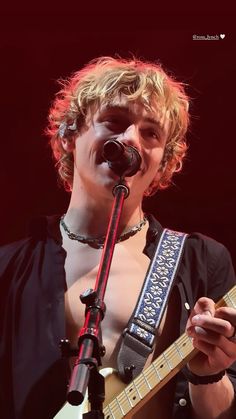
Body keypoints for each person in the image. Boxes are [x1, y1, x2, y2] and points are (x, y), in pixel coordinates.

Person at [0, 56, 236, 419]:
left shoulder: (200, 260)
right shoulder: (10, 268)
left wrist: (208, 376)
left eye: (151, 133)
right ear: (69, 135)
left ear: (163, 162)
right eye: (115, 122)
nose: (130, 141)